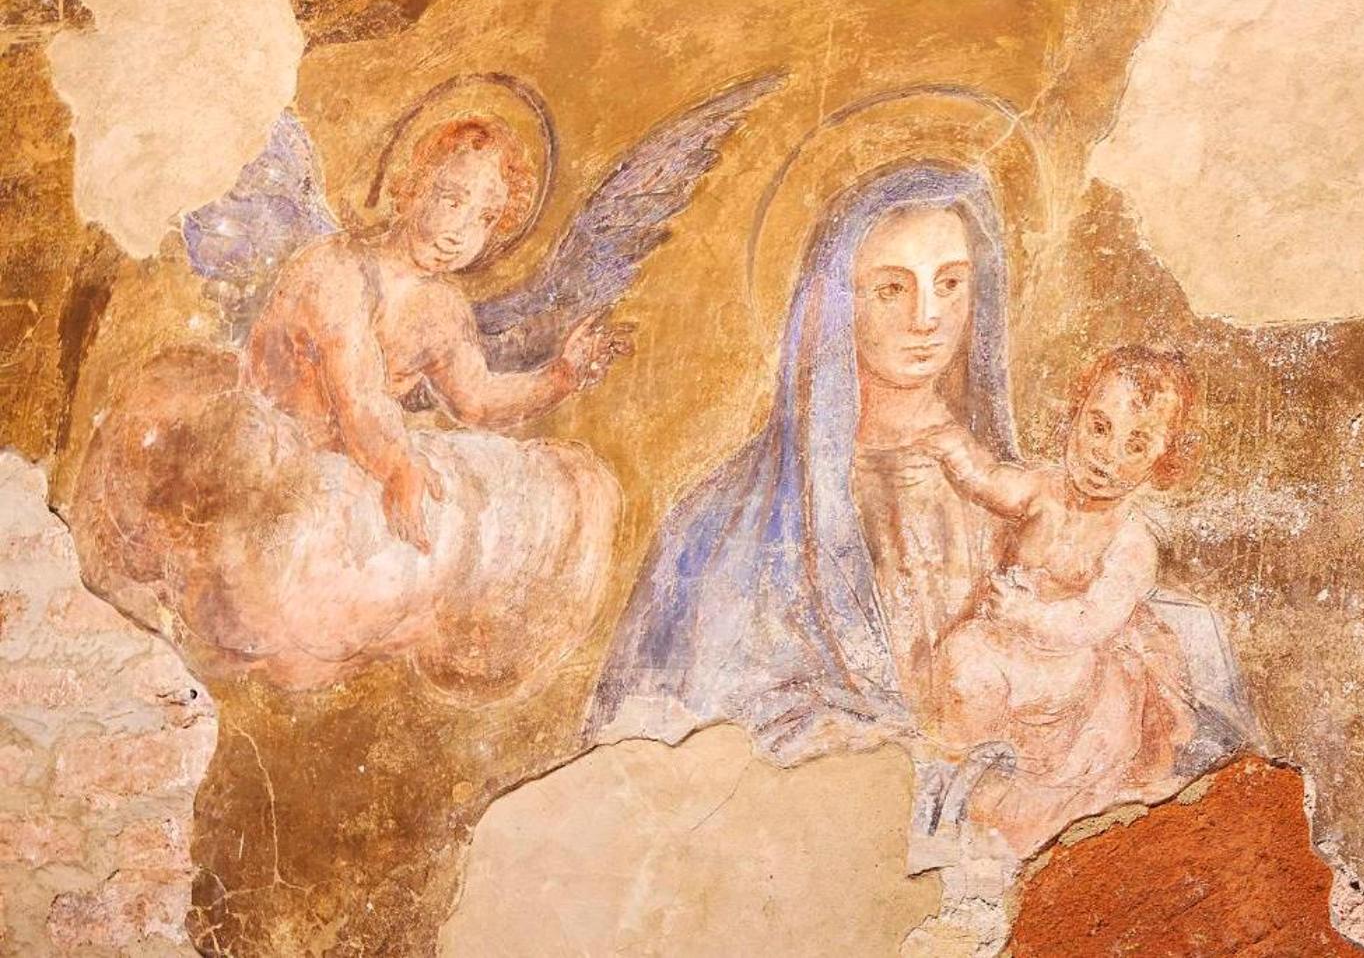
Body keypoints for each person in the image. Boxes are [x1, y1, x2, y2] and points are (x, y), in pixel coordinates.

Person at [73, 115, 626, 694]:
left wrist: (561, 376)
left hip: (353, 462)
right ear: (411, 186)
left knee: (540, 495)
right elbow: (356, 391)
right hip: (265, 462)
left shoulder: (442, 307)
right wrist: (397, 466)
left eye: (486, 217)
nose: (462, 231)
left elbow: (478, 401)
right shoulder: (337, 268)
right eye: (452, 199)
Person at [588, 161, 1021, 760]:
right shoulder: (726, 522)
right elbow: (680, 720)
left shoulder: (1011, 495)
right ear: (836, 304)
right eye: (892, 289)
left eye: (950, 284)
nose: (927, 317)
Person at [919, 345, 1198, 853]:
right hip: (1008, 641)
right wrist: (949, 446)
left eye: (1135, 445)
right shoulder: (1042, 489)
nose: (1105, 454)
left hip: (1076, 664)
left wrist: (1029, 614)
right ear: (1076, 414)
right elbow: (988, 482)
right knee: (962, 659)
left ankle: (1008, 808)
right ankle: (954, 776)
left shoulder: (1132, 540)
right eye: (1099, 427)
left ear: (1163, 460)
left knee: (1055, 772)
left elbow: (1094, 619)